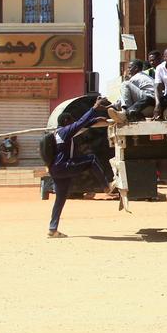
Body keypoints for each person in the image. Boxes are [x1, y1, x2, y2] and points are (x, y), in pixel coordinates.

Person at [47, 97, 112, 238]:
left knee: (60, 200)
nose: (73, 123)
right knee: (91, 159)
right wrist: (94, 108)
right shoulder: (65, 132)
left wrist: (95, 120)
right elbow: (80, 123)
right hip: (64, 166)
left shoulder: (58, 133)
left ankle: (52, 229)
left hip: (56, 170)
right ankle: (106, 186)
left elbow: (81, 126)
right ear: (66, 122)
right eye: (71, 121)